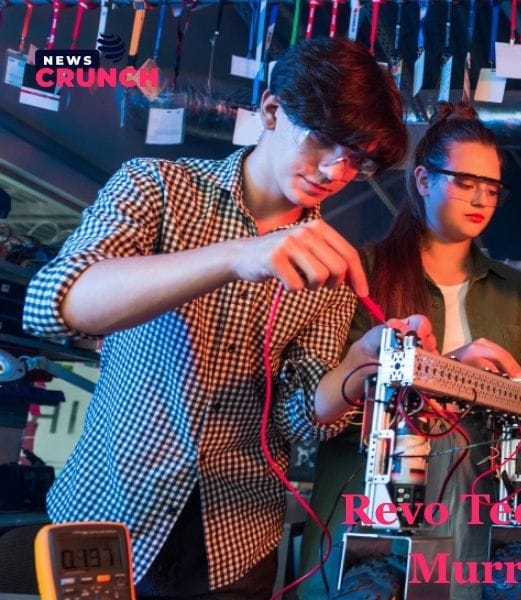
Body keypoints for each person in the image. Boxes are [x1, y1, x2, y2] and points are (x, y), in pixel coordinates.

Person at [22, 37, 432, 597]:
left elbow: (297, 420)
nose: (336, 169)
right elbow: (54, 304)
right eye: (322, 139)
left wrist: (359, 367)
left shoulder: (332, 266)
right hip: (108, 511)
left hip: (235, 538)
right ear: (271, 110)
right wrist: (237, 256)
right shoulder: (157, 187)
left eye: (357, 158)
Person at [300, 102, 521, 598]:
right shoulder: (363, 272)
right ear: (423, 180)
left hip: (474, 524)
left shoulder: (511, 288)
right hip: (372, 527)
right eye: (465, 182)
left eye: (492, 188)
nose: (481, 198)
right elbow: (322, 408)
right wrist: (444, 375)